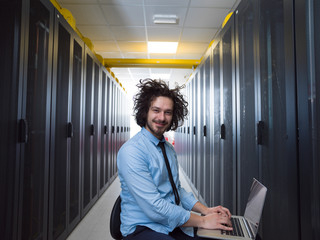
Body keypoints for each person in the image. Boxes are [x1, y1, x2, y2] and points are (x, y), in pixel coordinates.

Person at [117, 79, 232, 240]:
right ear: (145, 112)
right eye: (156, 110)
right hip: (142, 228)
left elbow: (176, 190)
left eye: (168, 112)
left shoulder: (168, 149)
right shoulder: (132, 151)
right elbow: (154, 208)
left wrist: (205, 211)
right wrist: (203, 221)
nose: (161, 117)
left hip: (171, 224)